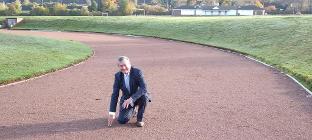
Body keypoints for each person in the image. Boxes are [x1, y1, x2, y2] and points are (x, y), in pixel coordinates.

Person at [107, 56, 151, 127]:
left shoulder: (137, 72)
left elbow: (144, 88)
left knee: (144, 96)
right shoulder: (118, 76)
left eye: (125, 65)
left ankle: (140, 119)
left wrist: (131, 99)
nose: (123, 67)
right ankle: (133, 110)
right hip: (126, 98)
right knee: (122, 120)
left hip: (138, 97)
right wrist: (112, 112)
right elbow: (115, 94)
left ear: (129, 64)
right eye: (121, 66)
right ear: (118, 66)